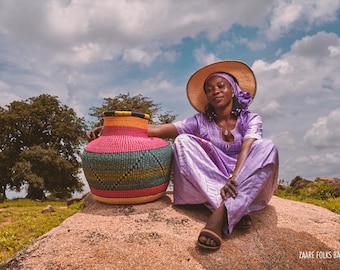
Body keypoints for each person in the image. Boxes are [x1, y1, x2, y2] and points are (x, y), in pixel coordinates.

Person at [87, 60, 279, 251]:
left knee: (267, 146)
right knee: (183, 141)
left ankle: (222, 213)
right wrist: (112, 129)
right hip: (213, 183)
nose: (215, 91)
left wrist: (235, 177)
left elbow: (247, 146)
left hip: (244, 178)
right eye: (210, 89)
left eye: (221, 86)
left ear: (233, 89)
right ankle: (237, 208)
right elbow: (160, 130)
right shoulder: (200, 121)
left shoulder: (251, 119)